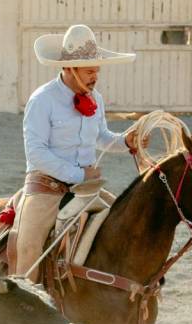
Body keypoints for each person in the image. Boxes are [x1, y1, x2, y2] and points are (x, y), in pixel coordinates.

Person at [15, 24, 142, 281]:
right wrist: (78, 175)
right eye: (89, 71)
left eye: (97, 70)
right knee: (29, 249)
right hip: (47, 188)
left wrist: (126, 141)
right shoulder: (43, 100)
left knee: (127, 228)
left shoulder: (96, 98)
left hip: (88, 186)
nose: (95, 77)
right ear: (70, 69)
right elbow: (36, 152)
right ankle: (21, 302)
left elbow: (101, 138)